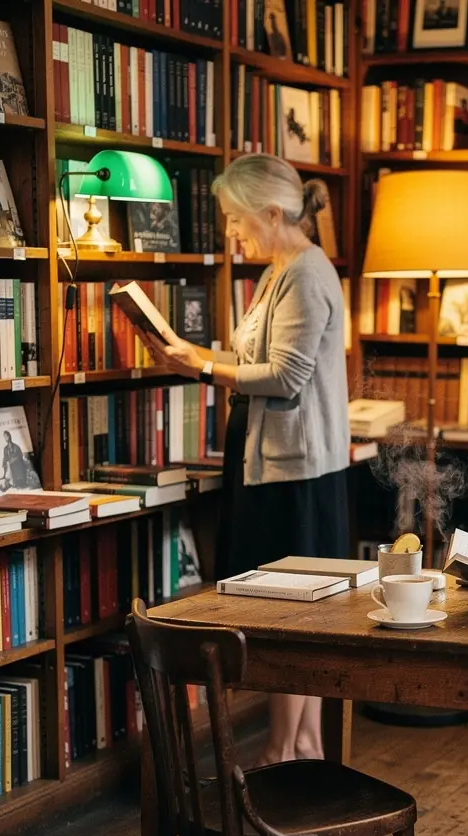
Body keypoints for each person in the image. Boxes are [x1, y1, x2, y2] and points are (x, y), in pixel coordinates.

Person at [144, 153, 351, 767]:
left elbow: (286, 377)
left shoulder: (308, 273)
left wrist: (201, 367)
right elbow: (257, 357)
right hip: (269, 461)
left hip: (297, 472)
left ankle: (291, 748)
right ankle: (298, 743)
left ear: (269, 211)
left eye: (235, 218)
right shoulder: (277, 270)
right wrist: (190, 350)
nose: (230, 231)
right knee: (284, 607)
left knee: (291, 611)